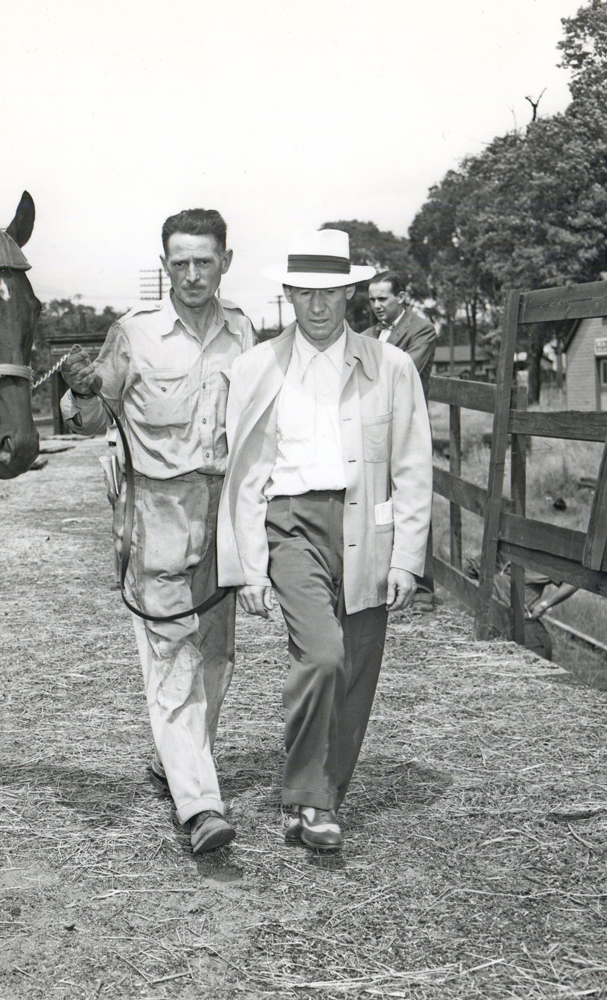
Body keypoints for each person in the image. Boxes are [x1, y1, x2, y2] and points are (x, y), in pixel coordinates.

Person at [219, 229, 432, 852]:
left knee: (358, 667)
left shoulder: (389, 367)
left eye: (332, 293)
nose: (318, 307)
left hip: (368, 526)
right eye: (306, 293)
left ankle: (319, 801)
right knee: (323, 655)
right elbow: (244, 475)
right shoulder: (255, 368)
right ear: (288, 294)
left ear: (351, 294)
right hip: (291, 527)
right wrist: (249, 569)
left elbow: (414, 466)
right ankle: (308, 797)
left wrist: (408, 558)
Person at [59, 208, 255, 854]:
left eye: (205, 261)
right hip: (158, 517)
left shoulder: (244, 334)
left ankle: (175, 761)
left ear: (226, 261)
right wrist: (80, 392)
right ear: (164, 264)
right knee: (173, 657)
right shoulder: (134, 335)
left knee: (217, 660)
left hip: (223, 516)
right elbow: (89, 415)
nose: (193, 275)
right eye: (180, 263)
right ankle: (199, 805)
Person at [363, 270, 438, 610]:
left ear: (402, 297)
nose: (377, 306)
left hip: (404, 424)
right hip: (370, 427)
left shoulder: (421, 329)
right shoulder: (367, 334)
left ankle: (422, 588)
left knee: (411, 497)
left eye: (383, 299)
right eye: (372, 300)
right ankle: (378, 578)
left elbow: (404, 369)